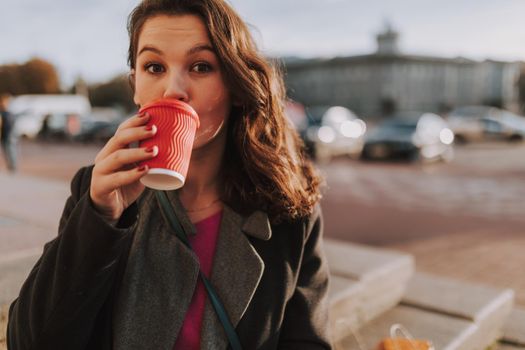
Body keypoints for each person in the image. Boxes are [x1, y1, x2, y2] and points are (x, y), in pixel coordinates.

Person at [7, 0, 332, 349]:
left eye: (201, 66)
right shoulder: (97, 191)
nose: (173, 89)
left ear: (236, 88)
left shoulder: (288, 207)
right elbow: (29, 341)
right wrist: (99, 218)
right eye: (154, 66)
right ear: (136, 86)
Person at [0, 93, 17, 172]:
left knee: (11, 151)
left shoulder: (10, 112)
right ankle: (11, 166)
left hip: (9, 135)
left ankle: (13, 166)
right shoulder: (2, 112)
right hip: (4, 135)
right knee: (7, 151)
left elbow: (10, 125)